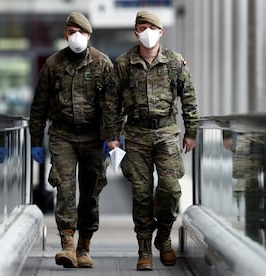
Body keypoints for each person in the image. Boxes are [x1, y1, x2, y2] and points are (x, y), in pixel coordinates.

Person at [102, 10, 200, 271]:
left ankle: (164, 237)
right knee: (142, 194)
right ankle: (144, 248)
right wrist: (112, 138)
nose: (146, 32)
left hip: (167, 133)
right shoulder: (123, 64)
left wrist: (191, 131)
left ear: (160, 31)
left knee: (170, 188)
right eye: (141, 27)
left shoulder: (175, 62)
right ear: (136, 32)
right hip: (135, 136)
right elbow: (112, 104)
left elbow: (188, 97)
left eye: (151, 27)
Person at [29, 11, 113, 268]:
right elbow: (39, 105)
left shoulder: (103, 64)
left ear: (89, 35)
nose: (76, 37)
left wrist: (112, 138)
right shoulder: (53, 65)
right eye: (71, 32)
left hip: (93, 137)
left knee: (90, 193)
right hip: (63, 135)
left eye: (81, 33)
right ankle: (68, 246)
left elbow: (113, 105)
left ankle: (84, 247)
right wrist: (35, 140)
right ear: (65, 35)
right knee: (65, 190)